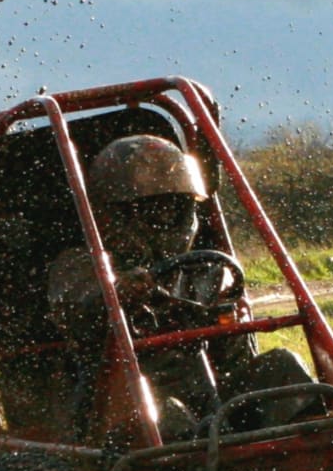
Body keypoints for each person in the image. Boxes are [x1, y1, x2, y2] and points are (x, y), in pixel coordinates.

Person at [47, 134, 318, 441]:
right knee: (169, 414)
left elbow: (234, 360)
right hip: (116, 407)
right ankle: (213, 468)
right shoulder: (83, 265)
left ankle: (325, 450)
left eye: (175, 209)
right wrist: (117, 295)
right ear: (114, 214)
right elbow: (77, 313)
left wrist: (226, 318)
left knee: (283, 366)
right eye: (154, 210)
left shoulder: (202, 271)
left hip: (208, 394)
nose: (167, 220)